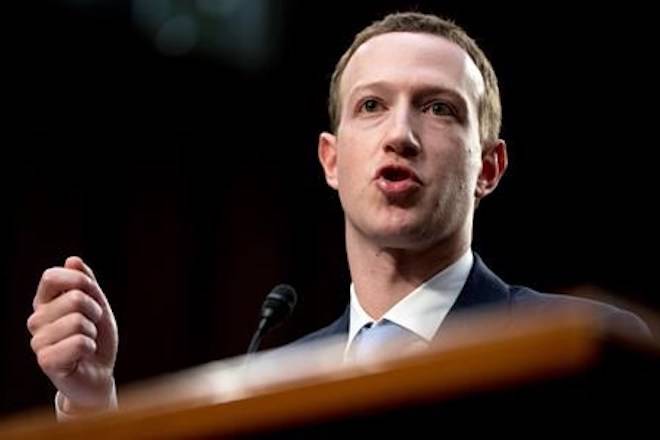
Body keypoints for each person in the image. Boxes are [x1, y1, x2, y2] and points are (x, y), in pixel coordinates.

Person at [26, 11, 651, 417]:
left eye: (438, 109)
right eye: (372, 105)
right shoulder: (270, 384)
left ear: (488, 167)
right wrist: (91, 404)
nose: (400, 134)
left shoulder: (579, 346)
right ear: (331, 160)